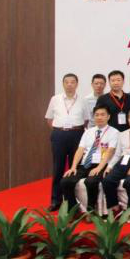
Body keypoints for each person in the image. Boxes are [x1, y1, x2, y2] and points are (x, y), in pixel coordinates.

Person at [60, 104, 119, 212]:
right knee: (65, 181)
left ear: (108, 116)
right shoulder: (88, 132)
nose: (99, 117)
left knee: (91, 182)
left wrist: (99, 168)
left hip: (102, 164)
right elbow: (80, 149)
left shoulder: (114, 132)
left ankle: (91, 211)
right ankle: (73, 210)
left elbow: (110, 152)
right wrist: (73, 167)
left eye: (102, 115)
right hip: (85, 164)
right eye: (97, 115)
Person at [45, 73, 90, 211]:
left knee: (74, 168)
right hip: (59, 134)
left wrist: (75, 130)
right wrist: (59, 130)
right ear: (63, 84)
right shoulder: (55, 99)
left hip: (77, 134)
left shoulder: (83, 100)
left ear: (77, 84)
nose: (69, 84)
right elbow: (49, 119)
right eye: (67, 82)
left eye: (72, 82)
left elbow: (86, 120)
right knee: (58, 168)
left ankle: (72, 201)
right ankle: (56, 201)